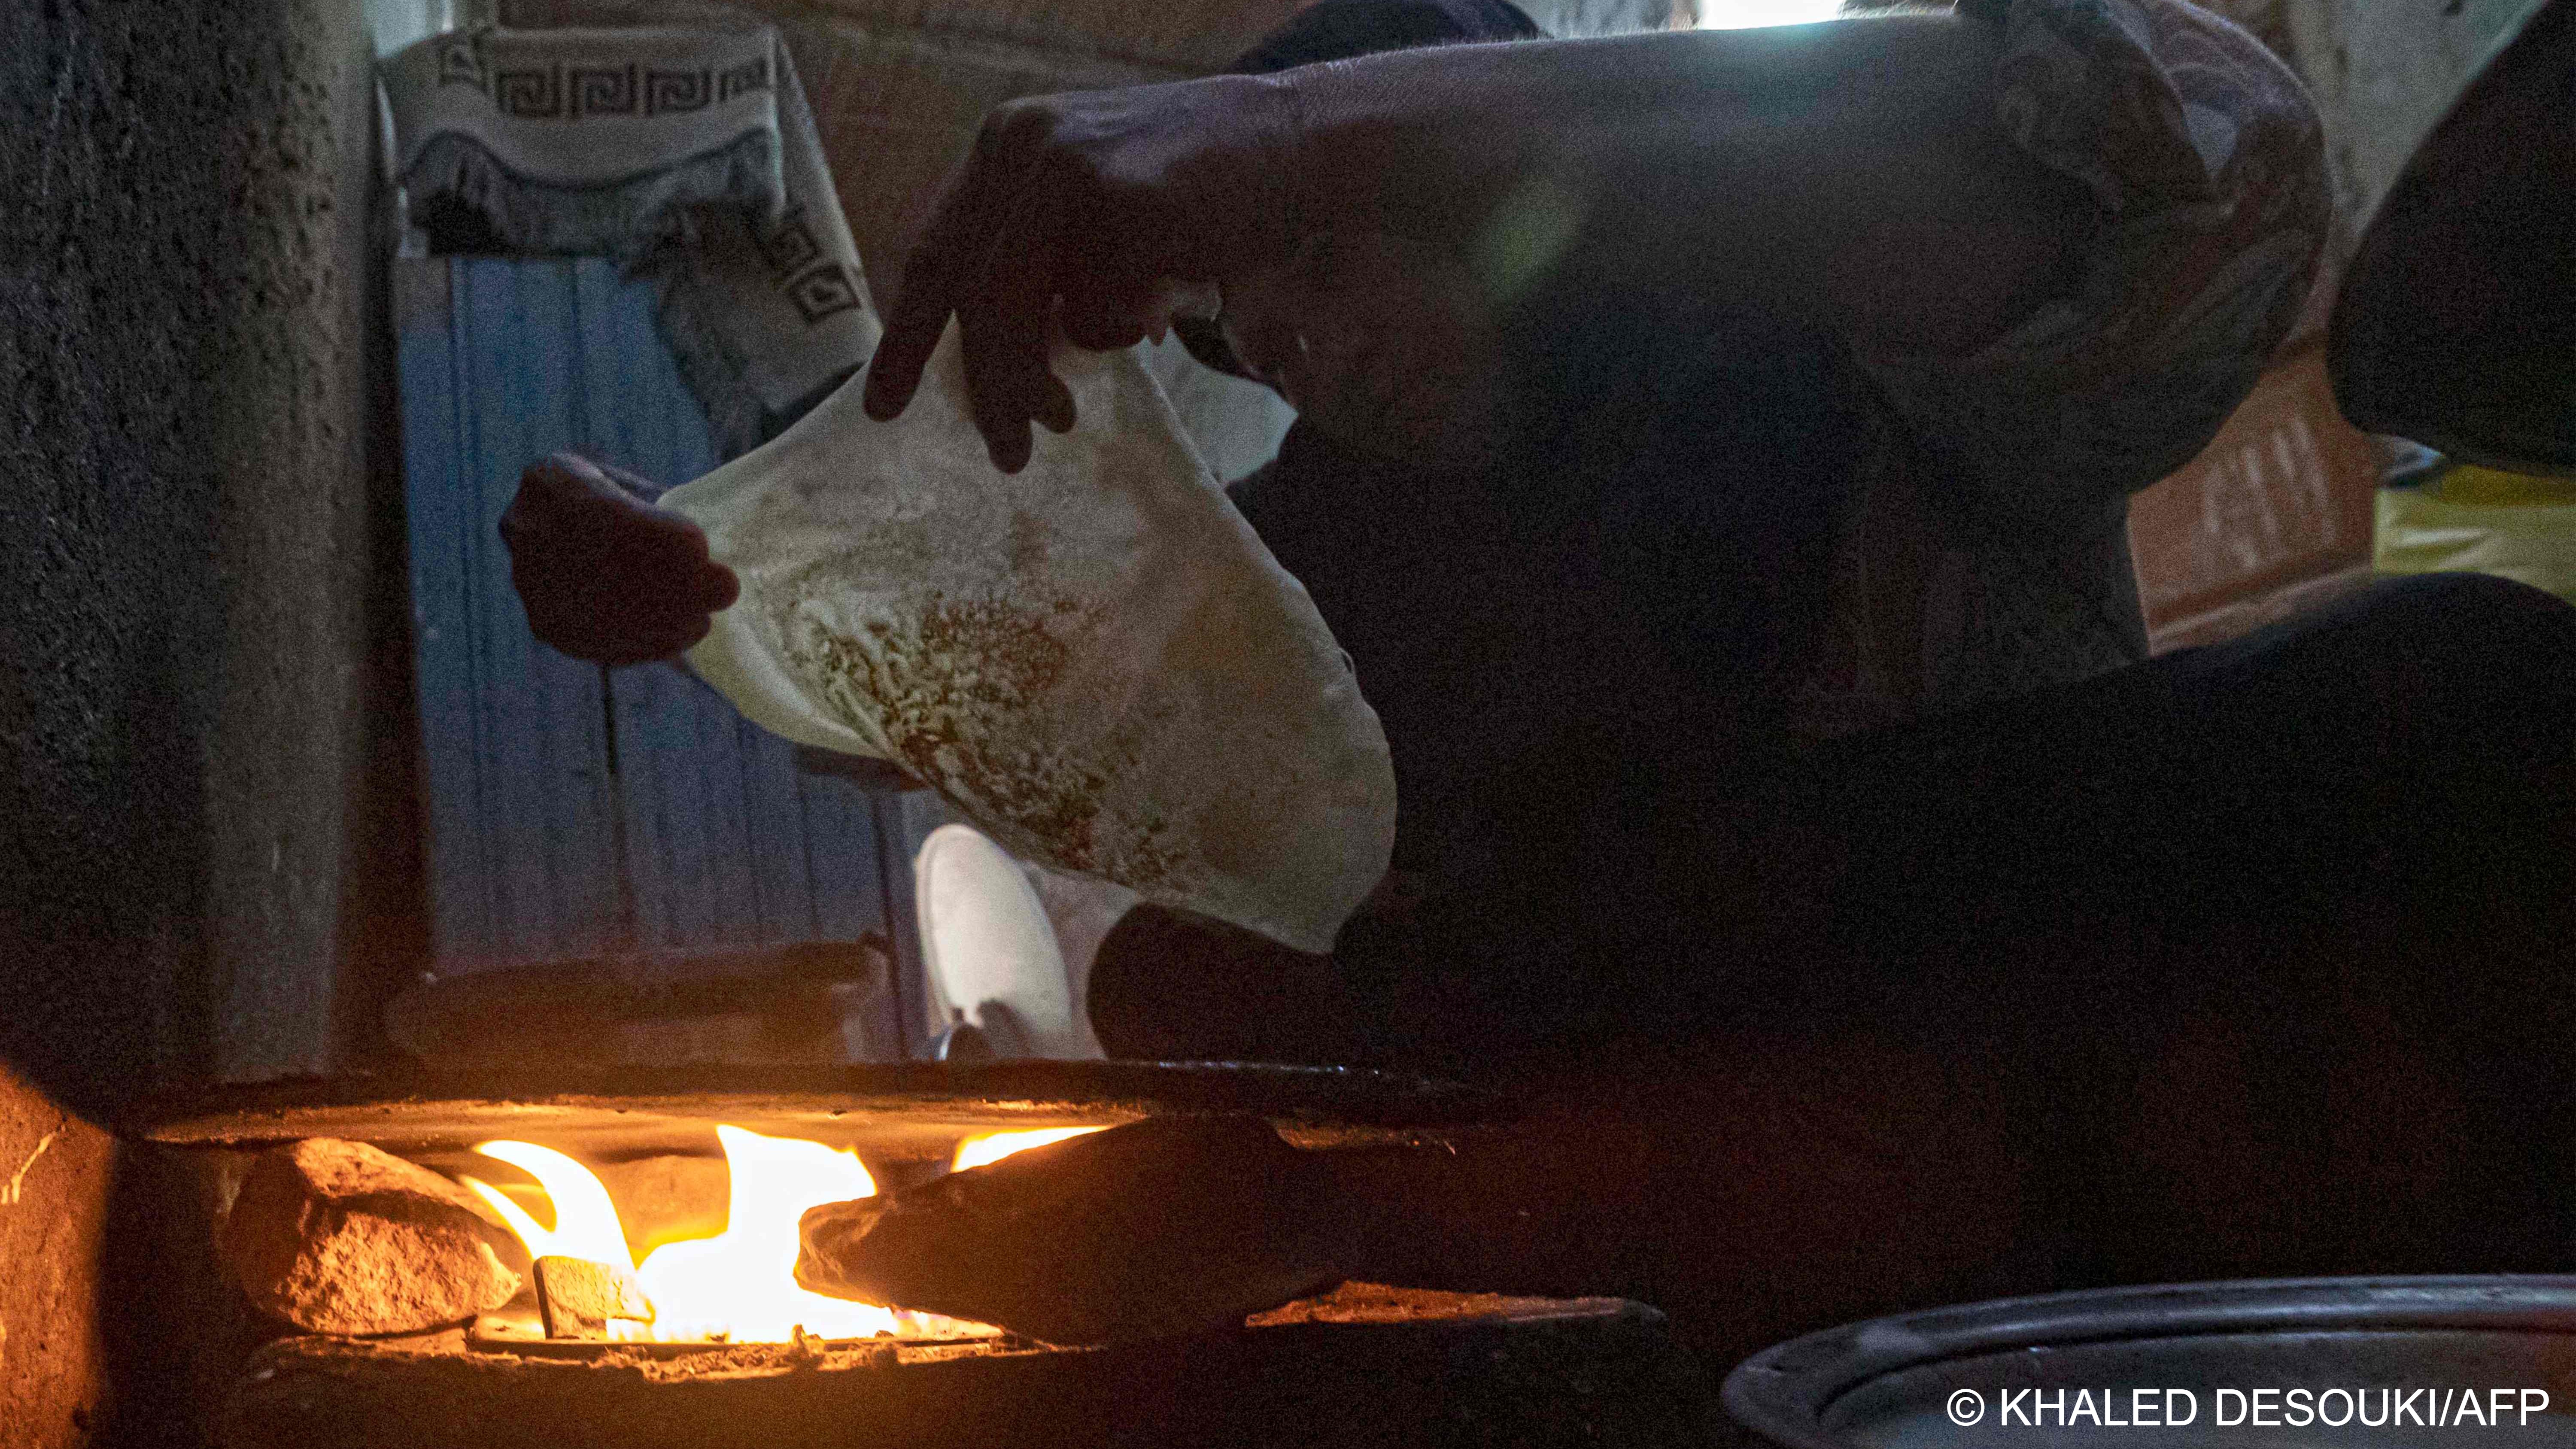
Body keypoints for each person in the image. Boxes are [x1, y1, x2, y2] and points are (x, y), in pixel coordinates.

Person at [507, 0, 2576, 1359]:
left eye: (1322, 263)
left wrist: (1307, 137)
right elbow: (980, 717)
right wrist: (701, 595)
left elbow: (2205, 175)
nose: (1296, 344)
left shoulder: (1865, 413)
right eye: (1243, 330)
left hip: (2168, 1313)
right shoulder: (1300, 619)